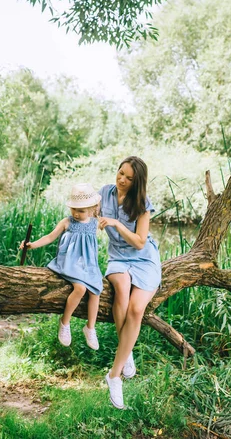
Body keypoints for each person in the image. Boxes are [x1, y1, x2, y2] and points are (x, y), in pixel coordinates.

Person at [98, 156, 161, 409]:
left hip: (144, 259)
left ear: (137, 182)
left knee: (136, 309)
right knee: (121, 290)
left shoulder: (142, 204)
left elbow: (140, 242)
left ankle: (113, 375)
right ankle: (126, 353)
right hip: (118, 259)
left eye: (128, 178)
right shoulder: (104, 193)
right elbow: (86, 213)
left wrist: (114, 223)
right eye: (120, 173)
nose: (121, 180)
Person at [19, 182, 103, 350]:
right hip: (70, 262)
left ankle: (90, 328)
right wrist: (32, 245)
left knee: (96, 290)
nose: (77, 214)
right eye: (74, 209)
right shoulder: (67, 222)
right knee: (80, 289)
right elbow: (50, 237)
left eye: (81, 210)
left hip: (88, 265)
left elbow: (116, 232)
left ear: (93, 208)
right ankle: (65, 323)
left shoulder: (96, 223)